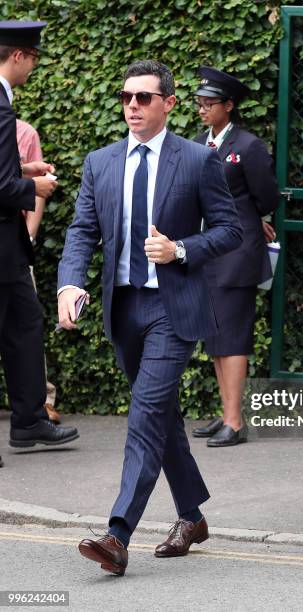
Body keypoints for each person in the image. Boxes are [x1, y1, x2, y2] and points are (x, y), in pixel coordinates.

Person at [57, 60, 242, 575]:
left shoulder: (197, 160)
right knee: (160, 417)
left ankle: (118, 534)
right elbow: (82, 232)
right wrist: (70, 283)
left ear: (169, 104)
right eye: (126, 97)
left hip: (172, 308)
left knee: (144, 413)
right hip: (124, 307)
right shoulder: (101, 162)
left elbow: (230, 230)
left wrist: (180, 249)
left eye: (143, 97)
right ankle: (192, 515)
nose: (132, 106)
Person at [0, 20, 79, 469]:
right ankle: (29, 419)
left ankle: (29, 420)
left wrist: (24, 173)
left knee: (27, 326)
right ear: (18, 56)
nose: (33, 67)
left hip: (8, 249)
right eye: (33, 58)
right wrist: (35, 190)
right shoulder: (0, 105)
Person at [191, 66, 279, 447]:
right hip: (207, 251)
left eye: (210, 104)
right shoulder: (199, 142)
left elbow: (266, 197)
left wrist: (250, 218)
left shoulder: (248, 146)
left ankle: (235, 421)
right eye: (200, 103)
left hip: (237, 252)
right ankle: (226, 412)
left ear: (229, 106)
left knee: (234, 336)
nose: (203, 109)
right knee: (215, 336)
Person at [16, 118, 61, 423]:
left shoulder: (23, 132)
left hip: (13, 246)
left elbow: (38, 191)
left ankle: (42, 401)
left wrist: (29, 237)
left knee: (26, 324)